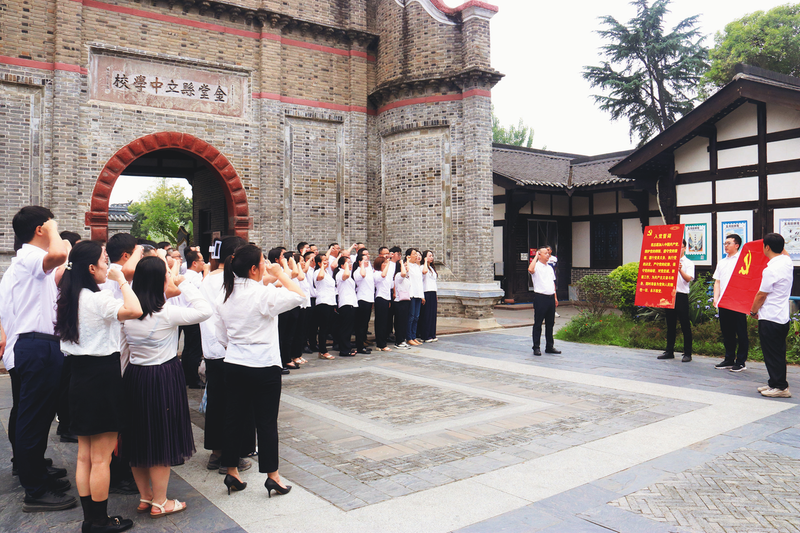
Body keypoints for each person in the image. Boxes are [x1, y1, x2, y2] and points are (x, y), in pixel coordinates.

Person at [55, 241, 143, 533]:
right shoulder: (98, 299)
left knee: (85, 455)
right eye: (105, 262)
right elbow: (135, 309)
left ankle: (89, 519)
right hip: (103, 378)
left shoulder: (70, 295)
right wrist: (122, 282)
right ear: (91, 268)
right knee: (102, 459)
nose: (109, 266)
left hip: (78, 377)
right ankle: (100, 521)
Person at [120, 253, 212, 518]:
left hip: (135, 376)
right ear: (161, 280)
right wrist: (183, 283)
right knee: (160, 439)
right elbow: (204, 310)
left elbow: (123, 353)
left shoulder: (127, 312)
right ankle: (161, 501)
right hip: (163, 377)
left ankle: (146, 497)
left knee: (138, 438)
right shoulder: (167, 312)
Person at [0, 206, 76, 512]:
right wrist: (57, 234)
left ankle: (32, 470)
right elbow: (58, 257)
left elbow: (58, 271)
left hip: (33, 344)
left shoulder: (27, 262)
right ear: (40, 229)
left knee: (31, 414)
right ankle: (35, 489)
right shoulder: (31, 255)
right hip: (35, 345)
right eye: (52, 224)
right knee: (33, 418)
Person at [215, 244, 306, 497]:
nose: (267, 265)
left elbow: (221, 336)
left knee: (233, 418)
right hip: (263, 365)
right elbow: (299, 296)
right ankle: (272, 476)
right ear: (254, 269)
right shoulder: (262, 294)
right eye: (264, 262)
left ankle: (231, 470)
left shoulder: (226, 294)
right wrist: (281, 273)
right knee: (266, 422)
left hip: (234, 363)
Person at [199, 237, 254, 475]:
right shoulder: (236, 280)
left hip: (212, 350)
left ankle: (216, 452)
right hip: (234, 351)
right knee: (237, 405)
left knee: (216, 402)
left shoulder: (206, 279)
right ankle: (234, 456)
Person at [751, 233, 794, 398]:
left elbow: (761, 295)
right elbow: (785, 253)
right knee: (777, 352)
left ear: (766, 247)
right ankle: (774, 382)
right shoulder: (786, 261)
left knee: (772, 353)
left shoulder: (771, 269)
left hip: (770, 317)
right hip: (781, 316)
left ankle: (780, 387)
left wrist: (753, 311)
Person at [713, 234, 748, 372]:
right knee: (727, 331)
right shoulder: (722, 262)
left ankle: (741, 361)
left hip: (738, 302)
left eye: (728, 243)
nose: (726, 246)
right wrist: (716, 298)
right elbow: (717, 281)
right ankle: (729, 359)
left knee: (741, 332)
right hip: (724, 301)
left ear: (737, 245)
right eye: (725, 243)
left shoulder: (742, 260)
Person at [659, 239, 694, 362]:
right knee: (670, 325)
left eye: (680, 247)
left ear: (684, 248)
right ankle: (669, 351)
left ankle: (687, 353)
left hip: (681, 296)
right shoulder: (668, 261)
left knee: (685, 325)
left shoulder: (688, 263)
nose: (678, 249)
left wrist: (679, 270)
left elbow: (688, 279)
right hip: (669, 295)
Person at [181, 247, 206, 388]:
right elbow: (205, 291)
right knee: (194, 349)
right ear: (194, 263)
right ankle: (192, 378)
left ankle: (187, 376)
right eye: (202, 261)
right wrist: (207, 272)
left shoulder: (189, 275)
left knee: (189, 348)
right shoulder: (194, 278)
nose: (204, 263)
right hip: (193, 316)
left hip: (189, 315)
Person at [528, 246, 560, 356]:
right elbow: (530, 270)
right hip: (540, 298)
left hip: (550, 297)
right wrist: (536, 256)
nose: (548, 255)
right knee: (538, 323)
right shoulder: (536, 266)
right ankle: (536, 347)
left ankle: (549, 346)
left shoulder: (550, 268)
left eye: (548, 253)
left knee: (550, 323)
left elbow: (552, 283)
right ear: (539, 255)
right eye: (545, 253)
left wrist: (555, 297)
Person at [314, 254, 336, 359]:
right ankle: (322, 350)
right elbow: (320, 277)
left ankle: (323, 350)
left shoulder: (328, 273)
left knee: (327, 328)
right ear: (319, 263)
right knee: (323, 328)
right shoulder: (318, 272)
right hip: (323, 302)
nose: (326, 262)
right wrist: (322, 267)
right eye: (324, 261)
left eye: (327, 260)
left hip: (331, 302)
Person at [335, 255, 358, 357]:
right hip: (345, 303)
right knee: (345, 328)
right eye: (347, 263)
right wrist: (347, 267)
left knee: (349, 327)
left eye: (350, 263)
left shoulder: (347, 274)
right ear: (341, 265)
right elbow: (346, 276)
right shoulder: (340, 274)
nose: (350, 265)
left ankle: (347, 347)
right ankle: (344, 350)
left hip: (351, 303)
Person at [353, 248, 374, 354]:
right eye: (365, 260)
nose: (367, 262)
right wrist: (361, 265)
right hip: (362, 299)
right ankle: (359, 346)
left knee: (365, 324)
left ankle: (362, 343)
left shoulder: (369, 270)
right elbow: (362, 275)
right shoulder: (358, 271)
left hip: (369, 299)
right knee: (360, 325)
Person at [372, 256, 393, 352]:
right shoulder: (376, 273)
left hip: (386, 299)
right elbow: (383, 276)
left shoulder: (387, 274)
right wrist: (388, 263)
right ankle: (381, 344)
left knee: (385, 322)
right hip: (380, 298)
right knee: (380, 322)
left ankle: (382, 342)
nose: (386, 265)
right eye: (383, 263)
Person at [418, 250, 439, 343]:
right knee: (426, 314)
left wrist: (436, 294)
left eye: (432, 256)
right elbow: (424, 273)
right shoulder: (422, 267)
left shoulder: (432, 268)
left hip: (433, 292)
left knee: (432, 314)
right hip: (426, 292)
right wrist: (425, 262)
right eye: (429, 256)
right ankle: (425, 335)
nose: (431, 257)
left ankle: (432, 333)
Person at [393, 256, 411, 350]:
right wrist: (401, 263)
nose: (406, 267)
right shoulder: (399, 275)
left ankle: (402, 340)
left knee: (404, 322)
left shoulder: (406, 277)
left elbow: (406, 272)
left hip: (406, 301)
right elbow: (403, 273)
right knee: (399, 322)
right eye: (404, 266)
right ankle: (398, 341)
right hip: (399, 302)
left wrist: (407, 261)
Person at [547, 246, 560, 318]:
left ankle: (553, 310)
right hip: (545, 278)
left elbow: (556, 267)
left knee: (553, 292)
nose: (547, 251)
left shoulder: (554, 259)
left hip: (552, 277)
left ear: (551, 251)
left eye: (548, 250)